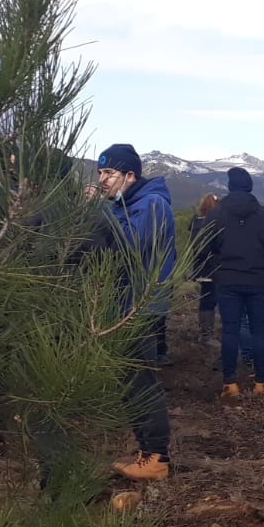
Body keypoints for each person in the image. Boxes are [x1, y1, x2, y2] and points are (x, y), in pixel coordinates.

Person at [94, 143, 175, 480]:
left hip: (139, 307)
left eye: (109, 174)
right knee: (130, 381)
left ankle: (156, 457)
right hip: (124, 305)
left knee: (141, 381)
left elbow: (129, 246)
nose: (102, 180)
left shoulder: (151, 204)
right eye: (99, 173)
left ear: (130, 175)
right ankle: (147, 452)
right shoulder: (126, 204)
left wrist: (94, 214)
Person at [207, 167, 264, 397]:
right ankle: (261, 384)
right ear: (250, 186)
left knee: (230, 331)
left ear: (229, 187)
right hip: (258, 280)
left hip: (228, 280)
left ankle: (230, 384)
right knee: (259, 331)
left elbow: (206, 246)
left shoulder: (216, 213)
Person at [189, 192, 221, 344]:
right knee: (211, 300)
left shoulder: (196, 221)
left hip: (199, 267)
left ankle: (205, 333)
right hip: (213, 267)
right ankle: (207, 336)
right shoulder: (213, 223)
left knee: (206, 299)